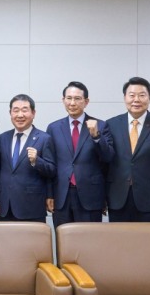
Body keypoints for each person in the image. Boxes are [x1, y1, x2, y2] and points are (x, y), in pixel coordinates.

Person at [46, 81, 114, 226]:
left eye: (77, 98)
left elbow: (108, 157)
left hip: (91, 195)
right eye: (68, 98)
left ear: (86, 101)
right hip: (62, 195)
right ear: (63, 100)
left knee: (90, 242)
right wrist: (49, 194)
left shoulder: (101, 125)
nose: (72, 103)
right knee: (63, 242)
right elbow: (50, 164)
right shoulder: (53, 128)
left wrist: (96, 136)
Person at [105, 76, 150, 222]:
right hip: (118, 195)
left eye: (142, 95)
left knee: (147, 243)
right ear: (124, 98)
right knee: (118, 241)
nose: (136, 100)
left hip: (149, 196)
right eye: (132, 95)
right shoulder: (111, 124)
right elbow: (106, 161)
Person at [0, 94, 55, 222]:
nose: (20, 115)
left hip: (32, 206)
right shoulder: (2, 138)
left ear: (33, 113)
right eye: (16, 110)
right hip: (6, 206)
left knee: (33, 243)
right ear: (10, 113)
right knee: (7, 242)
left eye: (24, 110)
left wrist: (37, 161)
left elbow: (52, 170)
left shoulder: (44, 138)